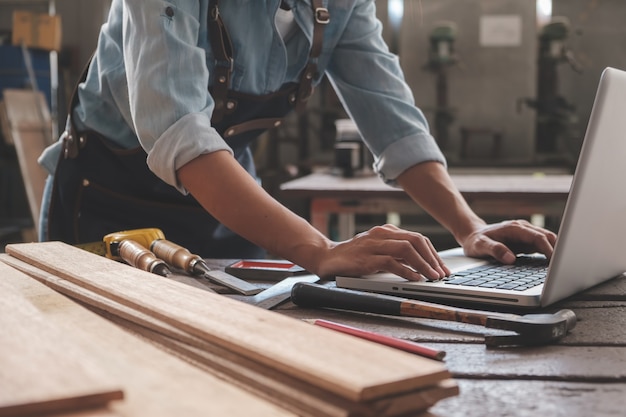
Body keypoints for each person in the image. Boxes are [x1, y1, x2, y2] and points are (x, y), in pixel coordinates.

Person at [38, 0, 556, 281]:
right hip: (107, 203)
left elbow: (393, 120)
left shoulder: (344, 6)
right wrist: (321, 248)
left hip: (227, 206)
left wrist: (469, 228)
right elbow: (179, 131)